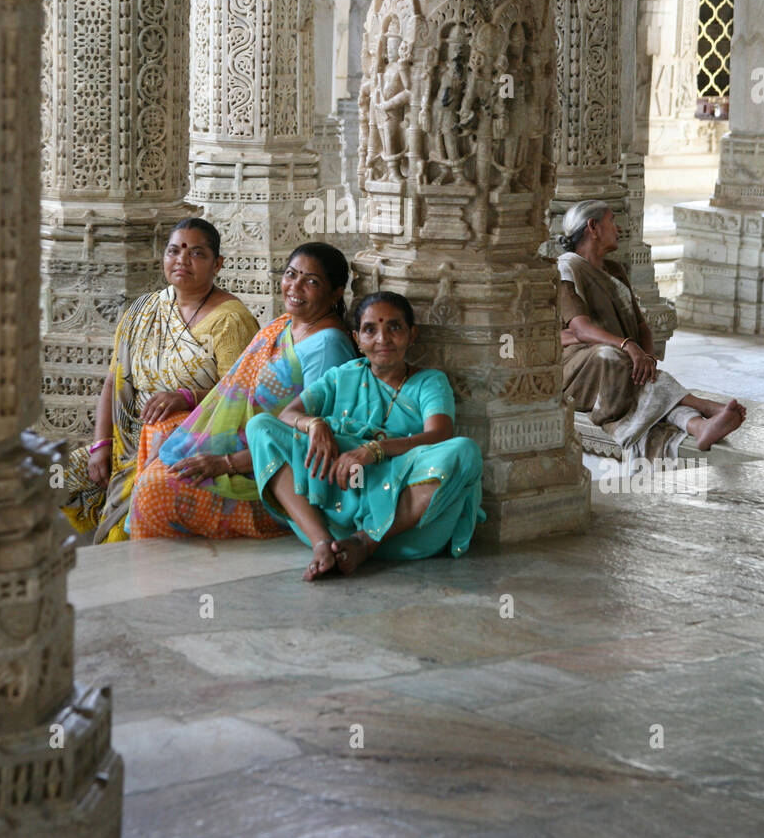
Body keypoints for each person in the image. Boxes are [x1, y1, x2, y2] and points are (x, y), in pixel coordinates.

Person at [245, 291, 484, 581]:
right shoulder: (341, 376)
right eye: (370, 330)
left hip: (403, 520)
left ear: (412, 335)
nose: (383, 339)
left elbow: (439, 434)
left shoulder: (429, 381)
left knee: (463, 451)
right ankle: (322, 543)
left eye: (394, 327)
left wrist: (376, 450)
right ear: (357, 339)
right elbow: (287, 415)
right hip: (336, 501)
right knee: (260, 428)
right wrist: (316, 425)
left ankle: (364, 542)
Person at [129, 244, 356, 540]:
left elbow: (310, 441)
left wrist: (224, 464)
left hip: (274, 474)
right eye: (291, 274)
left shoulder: (328, 346)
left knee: (152, 491)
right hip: (241, 443)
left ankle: (159, 574)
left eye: (311, 281)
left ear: (336, 292)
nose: (295, 286)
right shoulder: (285, 325)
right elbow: (235, 391)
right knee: (158, 430)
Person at [61, 219, 259, 544]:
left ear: (217, 264)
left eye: (197, 253)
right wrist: (100, 446)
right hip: (126, 440)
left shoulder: (230, 321)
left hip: (184, 443)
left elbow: (242, 395)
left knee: (132, 512)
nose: (182, 260)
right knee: (51, 478)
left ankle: (128, 568)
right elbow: (113, 383)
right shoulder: (144, 310)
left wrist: (188, 397)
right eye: (174, 250)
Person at [557, 200, 747, 460]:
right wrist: (628, 346)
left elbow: (641, 326)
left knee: (639, 381)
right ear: (593, 227)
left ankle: (700, 426)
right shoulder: (567, 267)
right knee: (610, 357)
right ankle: (702, 406)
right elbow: (581, 329)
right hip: (581, 369)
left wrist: (646, 358)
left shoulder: (615, 270)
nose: (620, 229)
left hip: (622, 362)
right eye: (612, 220)